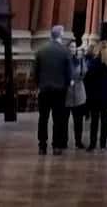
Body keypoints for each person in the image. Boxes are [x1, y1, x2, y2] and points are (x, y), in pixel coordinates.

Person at [33, 24, 73, 156]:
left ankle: (42, 146)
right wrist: (67, 84)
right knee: (58, 119)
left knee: (43, 118)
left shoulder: (41, 50)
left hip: (44, 89)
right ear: (61, 35)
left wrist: (38, 85)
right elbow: (69, 73)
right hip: (59, 90)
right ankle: (56, 146)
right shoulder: (64, 51)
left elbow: (35, 71)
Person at [84, 42, 107, 151]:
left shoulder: (94, 63)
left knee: (94, 120)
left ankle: (92, 144)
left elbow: (87, 78)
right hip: (106, 96)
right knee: (104, 120)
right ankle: (103, 145)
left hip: (95, 96)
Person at [67, 42, 88, 148]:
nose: (73, 49)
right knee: (64, 120)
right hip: (66, 94)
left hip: (79, 93)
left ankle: (78, 141)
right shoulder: (64, 60)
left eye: (74, 47)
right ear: (67, 48)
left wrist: (82, 58)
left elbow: (84, 72)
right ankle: (63, 141)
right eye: (71, 47)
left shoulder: (79, 60)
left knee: (78, 120)